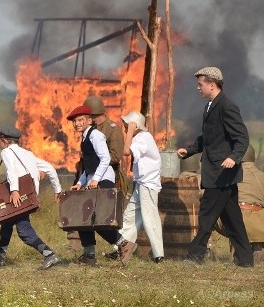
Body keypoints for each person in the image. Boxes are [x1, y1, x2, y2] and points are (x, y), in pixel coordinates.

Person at [176, 66, 253, 267]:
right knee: (232, 220)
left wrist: (234, 158)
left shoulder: (227, 106)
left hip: (222, 173)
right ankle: (245, 259)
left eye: (200, 84)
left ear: (212, 85)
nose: (197, 88)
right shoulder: (210, 106)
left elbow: (242, 138)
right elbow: (208, 138)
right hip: (218, 174)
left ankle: (195, 255)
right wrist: (190, 150)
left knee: (207, 214)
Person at [0, 126, 62, 270]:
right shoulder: (28, 154)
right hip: (30, 196)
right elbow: (50, 168)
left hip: (19, 196)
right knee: (6, 222)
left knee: (24, 231)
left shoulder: (6, 152)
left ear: (4, 141)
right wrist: (57, 190)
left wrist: (14, 191)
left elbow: (11, 170)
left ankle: (50, 254)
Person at [110, 111, 164, 265]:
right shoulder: (140, 138)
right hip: (141, 183)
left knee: (149, 217)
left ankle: (158, 254)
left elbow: (126, 152)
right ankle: (120, 248)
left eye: (128, 125)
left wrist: (132, 130)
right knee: (130, 216)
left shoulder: (142, 138)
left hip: (148, 184)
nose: (126, 128)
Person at [67, 105, 119, 266]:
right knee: (83, 218)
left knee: (96, 219)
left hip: (103, 179)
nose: (77, 123)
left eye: (80, 120)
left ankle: (123, 244)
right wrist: (80, 183)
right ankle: (89, 255)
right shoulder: (85, 137)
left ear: (89, 120)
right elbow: (88, 165)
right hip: (93, 180)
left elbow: (105, 159)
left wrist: (96, 180)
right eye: (75, 121)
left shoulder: (96, 135)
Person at [215, 144, 264, 262]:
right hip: (259, 223)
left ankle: (207, 249)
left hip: (234, 220)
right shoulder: (261, 176)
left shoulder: (227, 175)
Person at [83, 95, 128, 196]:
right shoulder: (91, 129)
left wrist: (95, 159)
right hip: (90, 175)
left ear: (92, 114)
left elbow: (115, 156)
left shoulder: (113, 130)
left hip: (107, 178)